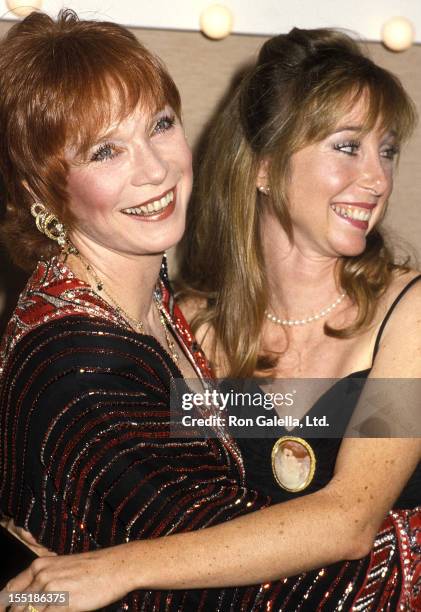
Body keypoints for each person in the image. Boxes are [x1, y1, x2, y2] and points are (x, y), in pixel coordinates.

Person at [1, 16, 420, 612]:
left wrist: (109, 570)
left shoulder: (409, 313)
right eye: (347, 147)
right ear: (263, 166)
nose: (377, 179)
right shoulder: (181, 327)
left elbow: (347, 514)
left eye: (162, 125)